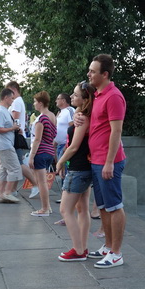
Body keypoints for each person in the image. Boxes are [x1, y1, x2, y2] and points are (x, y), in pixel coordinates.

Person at [83, 54, 127, 268]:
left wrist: (109, 162)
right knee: (102, 206)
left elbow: (116, 131)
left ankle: (117, 253)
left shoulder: (114, 96)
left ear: (105, 74)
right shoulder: (99, 95)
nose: (89, 74)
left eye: (93, 71)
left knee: (114, 206)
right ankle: (108, 246)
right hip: (96, 159)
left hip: (109, 161)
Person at [55, 81, 94, 260]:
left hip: (78, 168)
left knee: (65, 209)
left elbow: (74, 147)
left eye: (76, 95)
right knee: (82, 208)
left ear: (85, 99)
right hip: (84, 168)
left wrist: (60, 162)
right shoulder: (82, 115)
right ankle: (82, 248)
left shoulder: (83, 117)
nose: (71, 97)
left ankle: (78, 250)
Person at [6, 81, 38, 197]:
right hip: (16, 135)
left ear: (13, 90)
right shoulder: (19, 101)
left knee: (18, 163)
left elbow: (14, 119)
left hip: (15, 136)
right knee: (16, 163)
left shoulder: (16, 103)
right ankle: (13, 189)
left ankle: (35, 183)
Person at [27, 91, 57, 216]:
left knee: (42, 182)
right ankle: (47, 207)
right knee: (42, 181)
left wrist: (31, 156)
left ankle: (44, 208)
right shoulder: (52, 117)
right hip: (49, 151)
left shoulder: (41, 119)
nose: (34, 104)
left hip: (40, 152)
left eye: (35, 102)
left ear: (40, 103)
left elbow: (37, 139)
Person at [0, 88, 22, 203]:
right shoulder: (0, 111)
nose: (12, 101)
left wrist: (13, 128)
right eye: (11, 98)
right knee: (15, 168)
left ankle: (1, 194)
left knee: (4, 170)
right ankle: (8, 192)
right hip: (5, 145)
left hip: (4, 144)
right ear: (5, 97)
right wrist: (12, 128)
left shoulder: (3, 110)